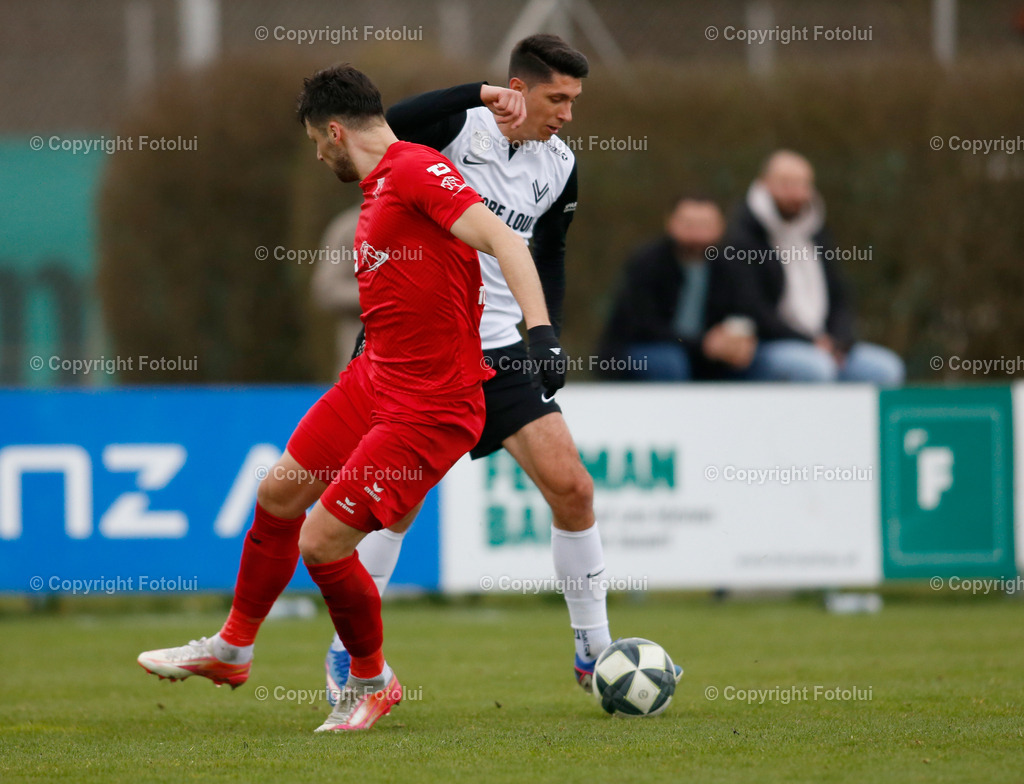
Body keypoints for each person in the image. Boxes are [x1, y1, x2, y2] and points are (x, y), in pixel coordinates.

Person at [136, 63, 564, 733]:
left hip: (433, 402)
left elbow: (505, 239)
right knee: (278, 493)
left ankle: (373, 679)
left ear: (335, 132)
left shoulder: (418, 170)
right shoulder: (382, 183)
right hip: (374, 380)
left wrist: (540, 333)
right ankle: (232, 647)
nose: (316, 155)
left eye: (315, 141)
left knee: (323, 543)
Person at [322, 34, 680, 703]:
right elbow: (381, 126)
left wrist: (548, 336)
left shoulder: (562, 162)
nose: (568, 112)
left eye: (575, 99)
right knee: (392, 513)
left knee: (571, 486)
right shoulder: (456, 127)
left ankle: (593, 650)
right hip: (420, 350)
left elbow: (552, 253)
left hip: (500, 347)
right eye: (557, 97)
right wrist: (476, 94)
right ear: (518, 89)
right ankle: (348, 653)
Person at [722, 150, 904, 385]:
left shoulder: (816, 232)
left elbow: (839, 296)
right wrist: (810, 343)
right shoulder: (742, 238)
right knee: (815, 369)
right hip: (766, 346)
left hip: (824, 343)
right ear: (763, 185)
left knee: (885, 369)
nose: (796, 193)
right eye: (786, 184)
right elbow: (752, 308)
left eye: (802, 184)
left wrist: (839, 341)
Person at [598, 195, 756, 381]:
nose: (697, 234)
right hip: (641, 351)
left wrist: (741, 339)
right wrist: (703, 344)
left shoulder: (731, 265)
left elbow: (748, 310)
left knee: (772, 362)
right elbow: (641, 325)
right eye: (689, 224)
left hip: (710, 358)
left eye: (705, 225)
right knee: (670, 362)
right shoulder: (647, 262)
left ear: (720, 226)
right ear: (670, 222)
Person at [311, 205, 362, 373]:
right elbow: (327, 289)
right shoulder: (350, 226)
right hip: (361, 366)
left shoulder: (433, 222)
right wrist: (382, 293)